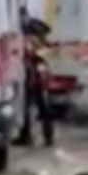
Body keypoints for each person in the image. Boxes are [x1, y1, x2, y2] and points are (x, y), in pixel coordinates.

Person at [21, 12, 57, 146]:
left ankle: (30, 135)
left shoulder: (33, 41)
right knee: (38, 108)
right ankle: (41, 136)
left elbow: (38, 55)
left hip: (35, 79)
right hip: (35, 78)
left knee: (32, 108)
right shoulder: (37, 41)